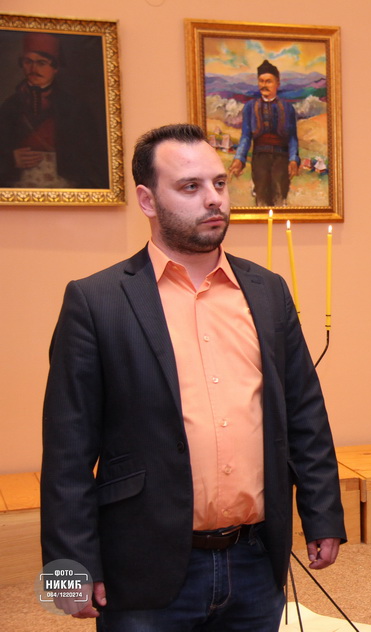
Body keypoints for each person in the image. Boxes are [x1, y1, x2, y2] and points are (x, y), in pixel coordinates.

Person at [41, 123, 345, 629]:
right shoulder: (95, 302)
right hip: (141, 565)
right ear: (147, 199)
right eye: (190, 187)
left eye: (220, 183)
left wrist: (323, 515)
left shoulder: (267, 292)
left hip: (254, 560)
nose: (214, 199)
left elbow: (305, 413)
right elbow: (67, 451)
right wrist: (66, 574)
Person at [0, 31, 108, 188]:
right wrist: (11, 159)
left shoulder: (75, 107)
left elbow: (92, 157)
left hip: (67, 187)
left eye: (41, 63)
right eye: (28, 61)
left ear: (55, 68)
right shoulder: (9, 106)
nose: (33, 68)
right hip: (16, 189)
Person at [228, 60, 301, 206]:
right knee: (261, 197)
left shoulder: (288, 108)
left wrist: (293, 159)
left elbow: (292, 137)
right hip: (259, 159)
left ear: (277, 83)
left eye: (268, 81)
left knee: (280, 196)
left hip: (281, 159)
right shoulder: (250, 107)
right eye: (261, 81)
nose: (264, 85)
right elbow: (246, 136)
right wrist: (239, 158)